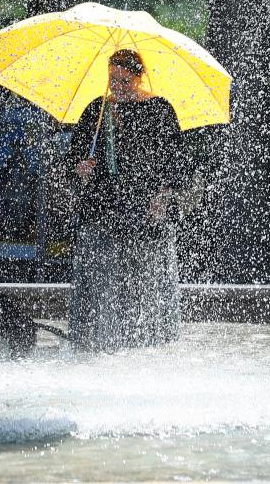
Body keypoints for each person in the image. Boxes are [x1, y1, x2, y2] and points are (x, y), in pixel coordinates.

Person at [66, 49, 189, 351]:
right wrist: (80, 169)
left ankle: (148, 343)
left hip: (145, 215)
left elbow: (176, 161)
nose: (117, 86)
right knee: (100, 286)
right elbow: (73, 159)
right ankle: (94, 344)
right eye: (112, 80)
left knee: (143, 288)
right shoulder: (97, 111)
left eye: (123, 80)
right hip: (101, 212)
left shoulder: (160, 109)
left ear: (138, 77)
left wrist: (164, 194)